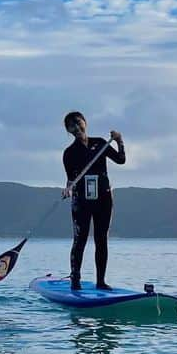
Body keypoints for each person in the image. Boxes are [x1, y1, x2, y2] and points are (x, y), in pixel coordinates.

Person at [61, 114, 125, 291]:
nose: (77, 128)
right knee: (80, 239)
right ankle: (75, 280)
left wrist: (119, 141)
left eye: (79, 123)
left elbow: (121, 160)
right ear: (68, 131)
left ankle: (101, 281)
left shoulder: (101, 143)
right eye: (72, 126)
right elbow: (70, 179)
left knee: (101, 239)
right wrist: (68, 189)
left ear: (85, 123)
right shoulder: (69, 153)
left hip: (104, 198)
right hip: (81, 200)